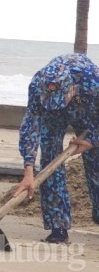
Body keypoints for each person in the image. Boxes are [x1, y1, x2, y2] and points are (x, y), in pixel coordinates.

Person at [13, 53, 99, 243]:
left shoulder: (92, 80)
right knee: (50, 161)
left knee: (96, 162)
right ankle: (58, 227)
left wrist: (92, 140)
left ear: (71, 88)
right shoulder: (37, 85)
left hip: (89, 110)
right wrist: (28, 170)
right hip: (52, 118)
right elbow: (31, 125)